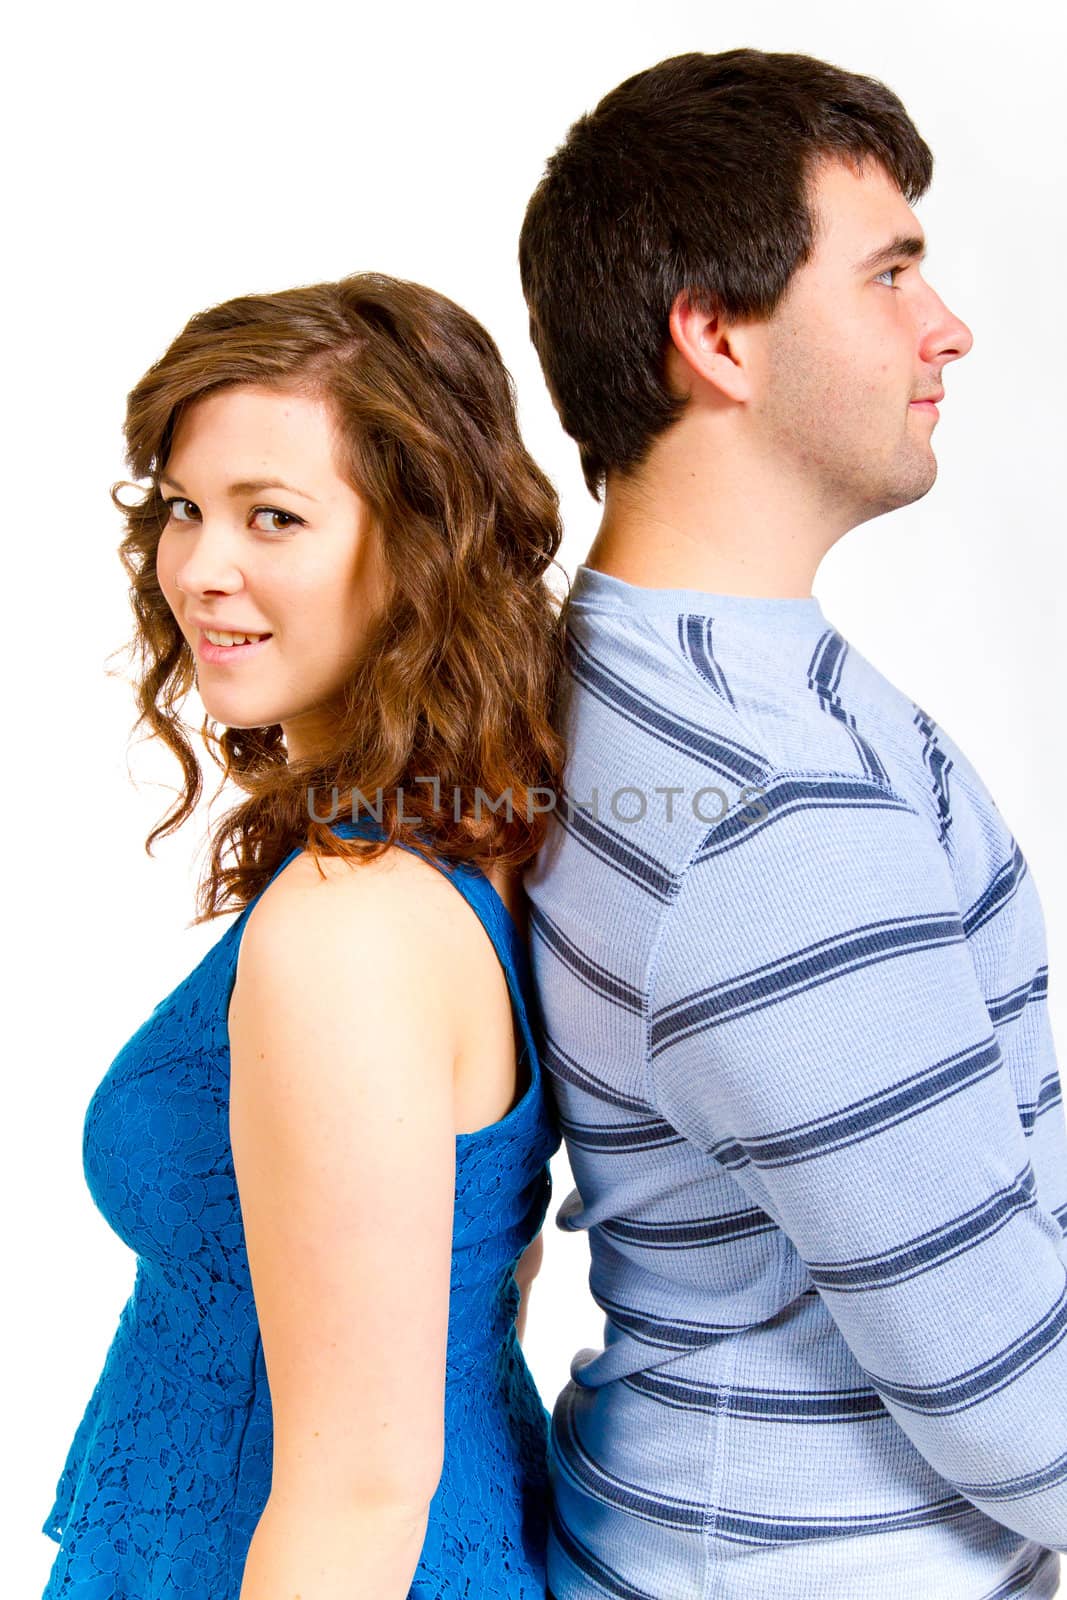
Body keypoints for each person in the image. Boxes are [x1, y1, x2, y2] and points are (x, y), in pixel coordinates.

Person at [518, 48, 1067, 1599]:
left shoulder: (639, 673)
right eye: (889, 273)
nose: (945, 324)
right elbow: (1029, 1416)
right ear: (717, 339)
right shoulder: (772, 822)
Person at [41, 272, 567, 1599]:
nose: (199, 569)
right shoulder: (469, 841)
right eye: (183, 509)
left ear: (422, 546)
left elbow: (360, 1490)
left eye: (272, 517)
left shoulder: (354, 926)